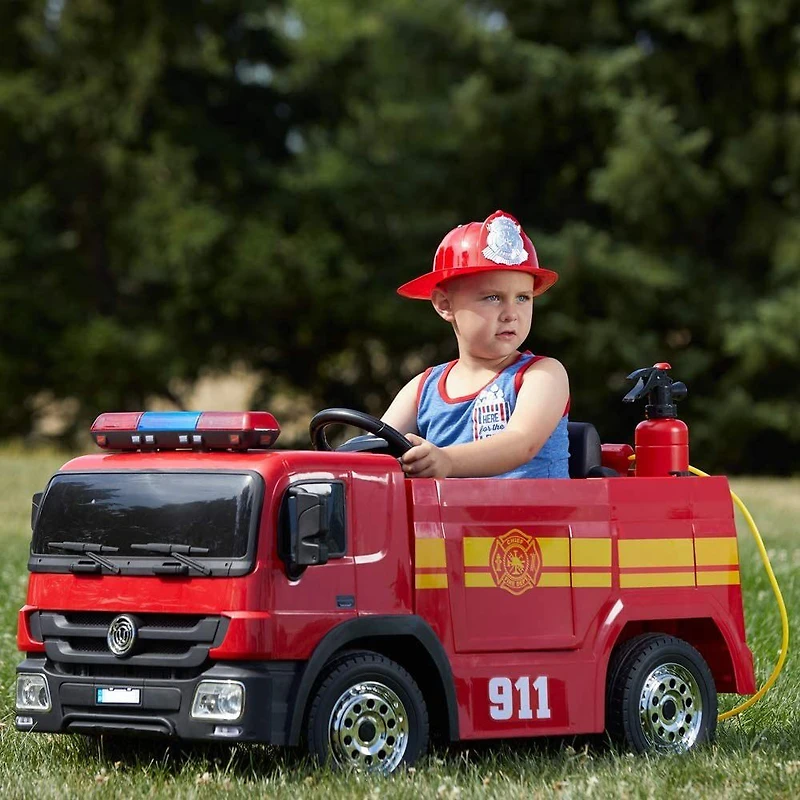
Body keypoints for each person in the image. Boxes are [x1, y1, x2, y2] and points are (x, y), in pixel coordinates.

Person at [381, 209, 570, 479]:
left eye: (522, 298)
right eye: (493, 297)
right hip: (446, 521)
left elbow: (522, 442)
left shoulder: (542, 374)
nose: (510, 313)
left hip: (535, 520)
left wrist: (446, 460)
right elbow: (374, 448)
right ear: (445, 305)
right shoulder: (423, 389)